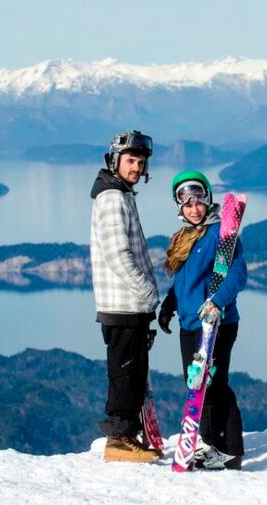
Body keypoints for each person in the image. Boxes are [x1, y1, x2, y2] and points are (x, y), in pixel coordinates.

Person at [158, 170, 248, 470]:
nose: (194, 209)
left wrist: (217, 303)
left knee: (215, 384)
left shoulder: (221, 234)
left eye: (198, 202)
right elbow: (184, 281)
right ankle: (210, 442)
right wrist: (170, 304)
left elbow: (237, 275)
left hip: (217, 323)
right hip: (190, 323)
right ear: (179, 207)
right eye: (187, 204)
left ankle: (230, 449)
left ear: (207, 200)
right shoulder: (185, 237)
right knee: (197, 385)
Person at [89, 129, 160, 463]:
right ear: (115, 160)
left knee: (132, 373)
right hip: (123, 305)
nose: (136, 167)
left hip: (130, 305)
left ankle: (127, 436)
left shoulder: (122, 194)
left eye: (141, 162)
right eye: (131, 160)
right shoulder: (112, 198)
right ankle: (118, 440)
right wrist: (147, 291)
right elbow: (118, 255)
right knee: (125, 373)